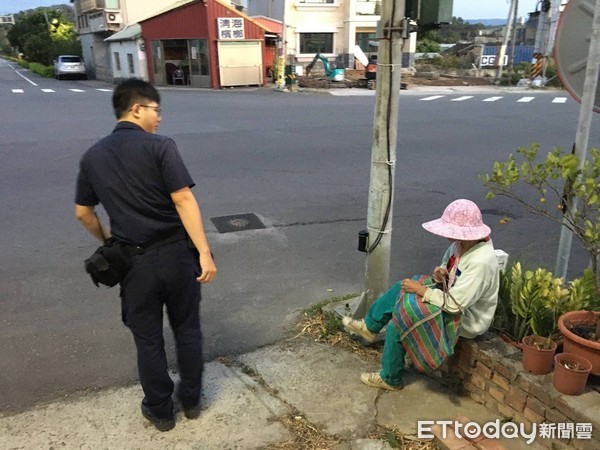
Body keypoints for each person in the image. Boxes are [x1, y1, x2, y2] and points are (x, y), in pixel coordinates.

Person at [74, 79, 216, 431]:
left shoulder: (93, 156)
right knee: (187, 329)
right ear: (136, 108)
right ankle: (192, 400)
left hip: (134, 264)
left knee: (148, 337)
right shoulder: (160, 147)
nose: (160, 118)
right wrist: (204, 252)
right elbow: (183, 200)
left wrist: (108, 239)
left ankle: (160, 410)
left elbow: (83, 212)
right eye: (156, 110)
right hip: (177, 256)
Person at [343, 199, 499, 391]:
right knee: (403, 286)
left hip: (465, 319)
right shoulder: (463, 245)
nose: (448, 238)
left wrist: (422, 290)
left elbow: (455, 305)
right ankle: (370, 326)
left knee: (400, 321)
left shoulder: (481, 262)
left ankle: (391, 379)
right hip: (449, 294)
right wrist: (441, 272)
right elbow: (447, 266)